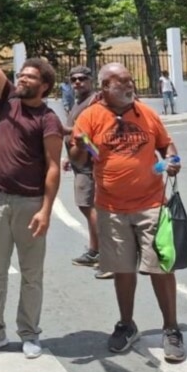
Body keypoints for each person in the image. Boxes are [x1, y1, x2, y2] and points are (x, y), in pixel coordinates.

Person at [0, 5, 62, 360]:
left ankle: (30, 334)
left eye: (30, 77)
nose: (21, 79)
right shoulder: (8, 100)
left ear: (45, 85)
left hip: (31, 204)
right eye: (20, 74)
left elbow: (54, 167)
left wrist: (47, 211)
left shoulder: (48, 120)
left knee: (31, 275)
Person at [73, 63, 187, 363]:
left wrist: (172, 159)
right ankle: (126, 324)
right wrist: (79, 144)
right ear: (105, 87)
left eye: (130, 80)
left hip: (151, 204)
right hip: (111, 208)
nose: (129, 85)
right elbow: (78, 157)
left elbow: (166, 145)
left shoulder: (146, 113)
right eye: (121, 81)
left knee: (161, 269)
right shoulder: (91, 116)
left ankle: (171, 328)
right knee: (123, 271)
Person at [63, 66, 110, 278]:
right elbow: (77, 131)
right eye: (74, 79)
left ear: (91, 80)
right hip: (80, 162)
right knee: (87, 206)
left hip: (88, 164)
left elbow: (97, 133)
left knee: (89, 207)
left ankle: (105, 255)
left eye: (82, 78)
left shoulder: (95, 101)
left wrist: (91, 153)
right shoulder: (79, 102)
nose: (78, 82)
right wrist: (70, 154)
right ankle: (94, 251)